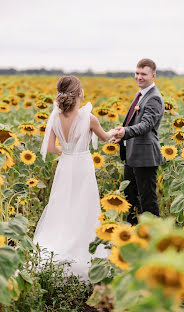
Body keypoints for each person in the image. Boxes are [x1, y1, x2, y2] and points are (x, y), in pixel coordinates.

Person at [33, 76, 117, 280]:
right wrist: (117, 131)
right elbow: (106, 138)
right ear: (80, 93)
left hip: (66, 164)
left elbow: (52, 148)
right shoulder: (88, 118)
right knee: (84, 205)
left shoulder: (54, 117)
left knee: (62, 204)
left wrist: (68, 150)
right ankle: (84, 248)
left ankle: (57, 245)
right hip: (82, 165)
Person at [111, 59, 164, 224]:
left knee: (148, 201)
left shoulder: (153, 98)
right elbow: (133, 122)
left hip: (145, 157)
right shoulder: (141, 94)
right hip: (132, 154)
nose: (139, 77)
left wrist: (125, 132)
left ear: (153, 76)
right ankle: (133, 234)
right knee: (131, 198)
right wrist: (122, 132)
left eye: (143, 74)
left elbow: (146, 125)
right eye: (137, 73)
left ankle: (154, 237)